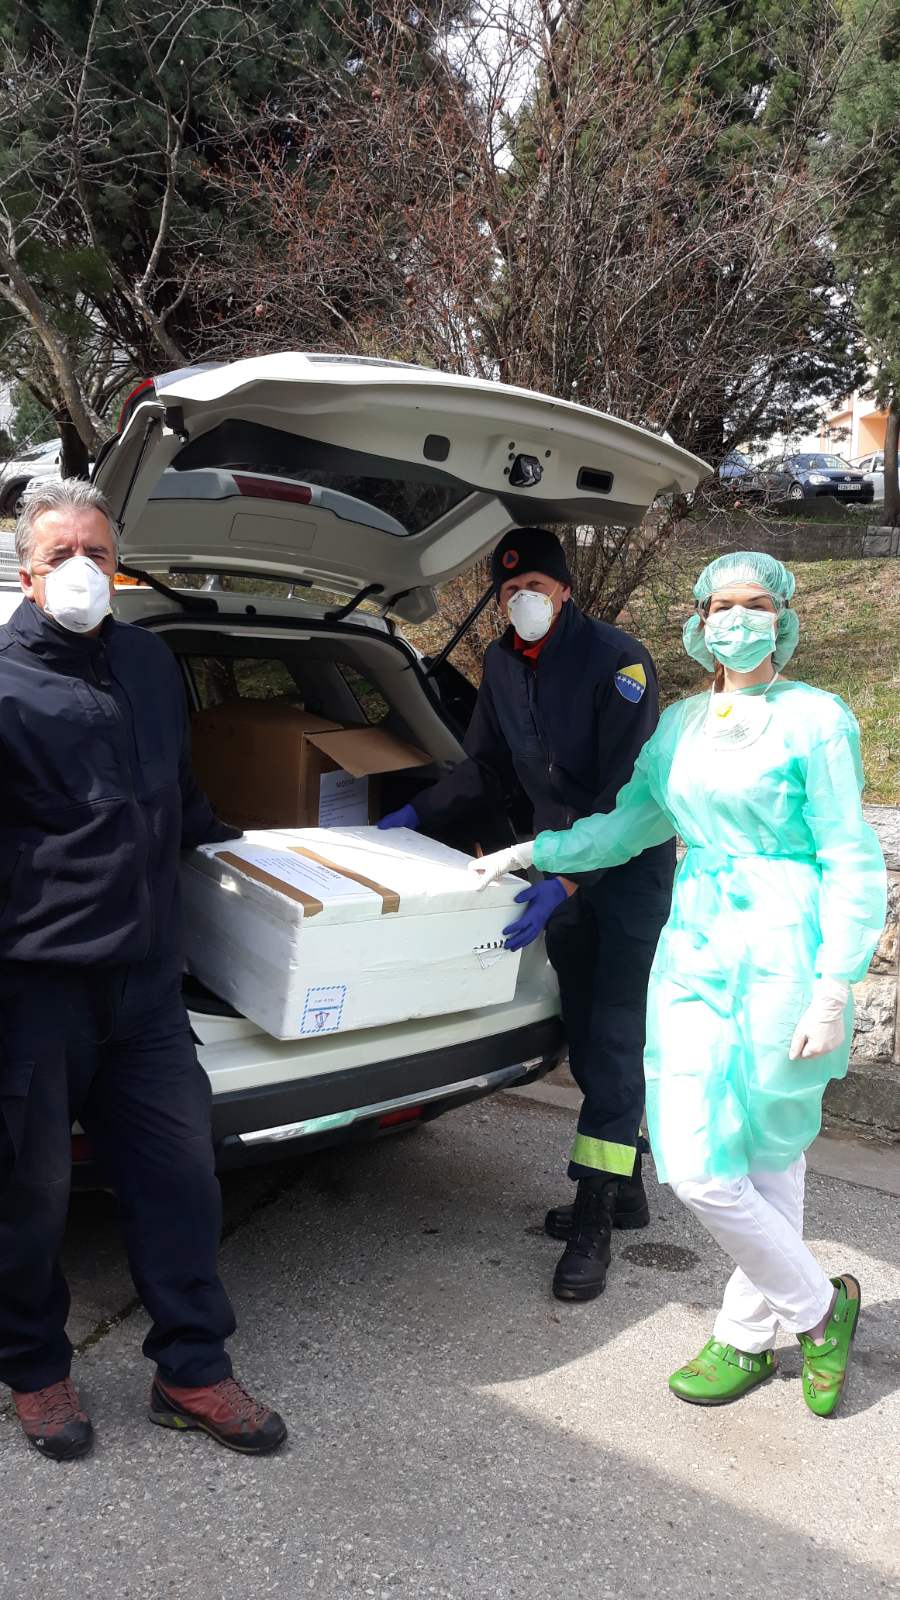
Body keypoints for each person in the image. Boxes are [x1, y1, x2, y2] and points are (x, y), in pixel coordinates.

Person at [470, 551, 886, 1417]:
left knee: (770, 1150)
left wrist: (835, 979)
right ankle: (819, 1308)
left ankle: (745, 1334)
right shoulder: (682, 726)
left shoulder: (817, 720)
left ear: (782, 615)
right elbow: (630, 824)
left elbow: (849, 853)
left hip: (786, 941)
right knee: (697, 1164)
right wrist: (537, 851)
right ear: (699, 622)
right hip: (697, 940)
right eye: (721, 605)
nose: (738, 619)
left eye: (755, 603)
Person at [0, 478, 287, 1461]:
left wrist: (264, 860)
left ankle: (191, 1369)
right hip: (36, 989)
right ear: (27, 575)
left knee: (181, 1177)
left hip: (148, 985)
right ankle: (36, 1368)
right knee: (28, 1194)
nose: (82, 570)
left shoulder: (152, 662)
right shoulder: (5, 685)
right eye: (61, 556)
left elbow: (179, 796)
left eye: (97, 553)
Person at [380, 527, 675, 1302]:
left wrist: (569, 880)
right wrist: (414, 815)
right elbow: (484, 768)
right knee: (585, 1031)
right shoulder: (503, 664)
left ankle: (593, 1216)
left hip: (627, 874)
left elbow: (627, 797)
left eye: (536, 587)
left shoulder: (619, 662)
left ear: (565, 590)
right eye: (510, 590)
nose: (523, 600)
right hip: (555, 867)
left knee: (615, 1037)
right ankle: (626, 1189)